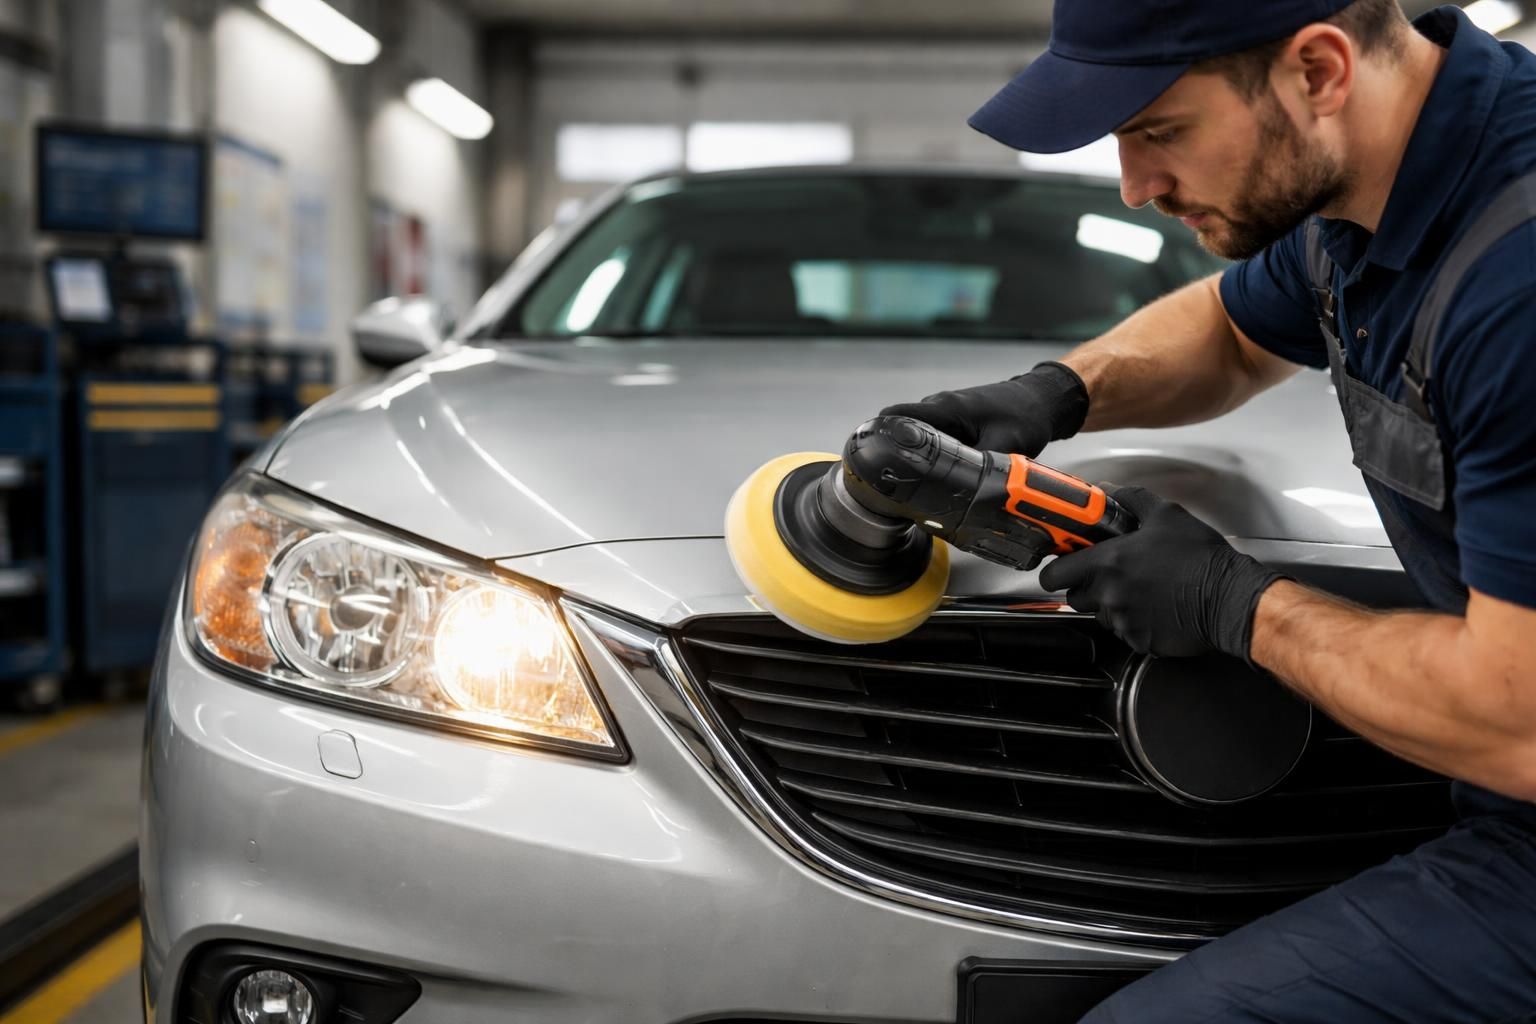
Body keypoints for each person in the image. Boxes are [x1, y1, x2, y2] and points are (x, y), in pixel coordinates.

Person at [881, 1, 1536, 1020]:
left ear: (1318, 70)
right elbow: (1232, 332)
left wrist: (1239, 603)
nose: (1136, 187)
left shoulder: (1519, 277)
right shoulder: (1368, 189)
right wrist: (1056, 392)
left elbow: (1519, 726)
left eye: (1159, 131)